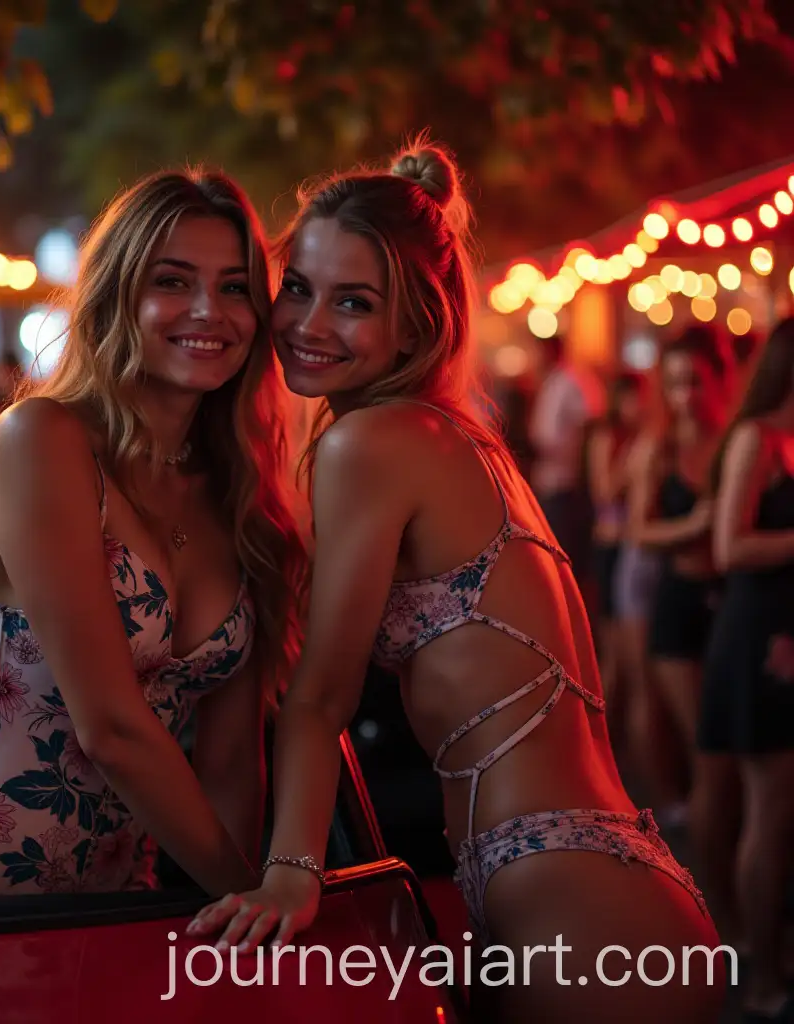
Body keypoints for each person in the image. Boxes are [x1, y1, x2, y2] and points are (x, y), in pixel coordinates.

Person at [188, 138, 721, 1022]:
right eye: (299, 288)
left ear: (417, 324)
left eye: (353, 302)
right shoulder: (451, 435)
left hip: (573, 900)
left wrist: (289, 874)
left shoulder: (373, 442)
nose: (309, 324)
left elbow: (319, 697)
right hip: (599, 878)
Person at [0, 167, 306, 901]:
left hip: (115, 908)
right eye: (173, 281)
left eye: (235, 286)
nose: (209, 310)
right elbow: (109, 728)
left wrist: (236, 934)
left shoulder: (240, 497)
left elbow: (233, 760)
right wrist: (252, 898)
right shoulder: (42, 439)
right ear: (117, 296)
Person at [628, 325, 740, 937]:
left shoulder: (735, 444)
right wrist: (696, 525)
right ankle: (711, 906)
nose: (685, 396)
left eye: (695, 381)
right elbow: (640, 531)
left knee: (738, 759)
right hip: (678, 608)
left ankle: (736, 895)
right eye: (674, 384)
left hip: (732, 606)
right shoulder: (660, 449)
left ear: (721, 379)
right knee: (708, 754)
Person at [700, 318, 794, 1022]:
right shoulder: (756, 439)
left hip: (784, 630)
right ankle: (759, 975)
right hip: (759, 634)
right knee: (769, 808)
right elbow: (729, 546)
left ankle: (770, 955)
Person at [584, 370, 648, 744]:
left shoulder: (643, 436)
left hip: (631, 547)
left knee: (630, 655)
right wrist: (632, 463)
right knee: (612, 652)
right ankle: (599, 736)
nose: (638, 406)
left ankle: (613, 734)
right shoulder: (607, 436)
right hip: (609, 546)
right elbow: (605, 491)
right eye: (632, 398)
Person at [528, 332, 605, 610]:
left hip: (567, 484)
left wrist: (582, 472)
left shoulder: (573, 381)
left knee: (565, 560)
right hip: (550, 480)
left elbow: (589, 427)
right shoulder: (551, 381)